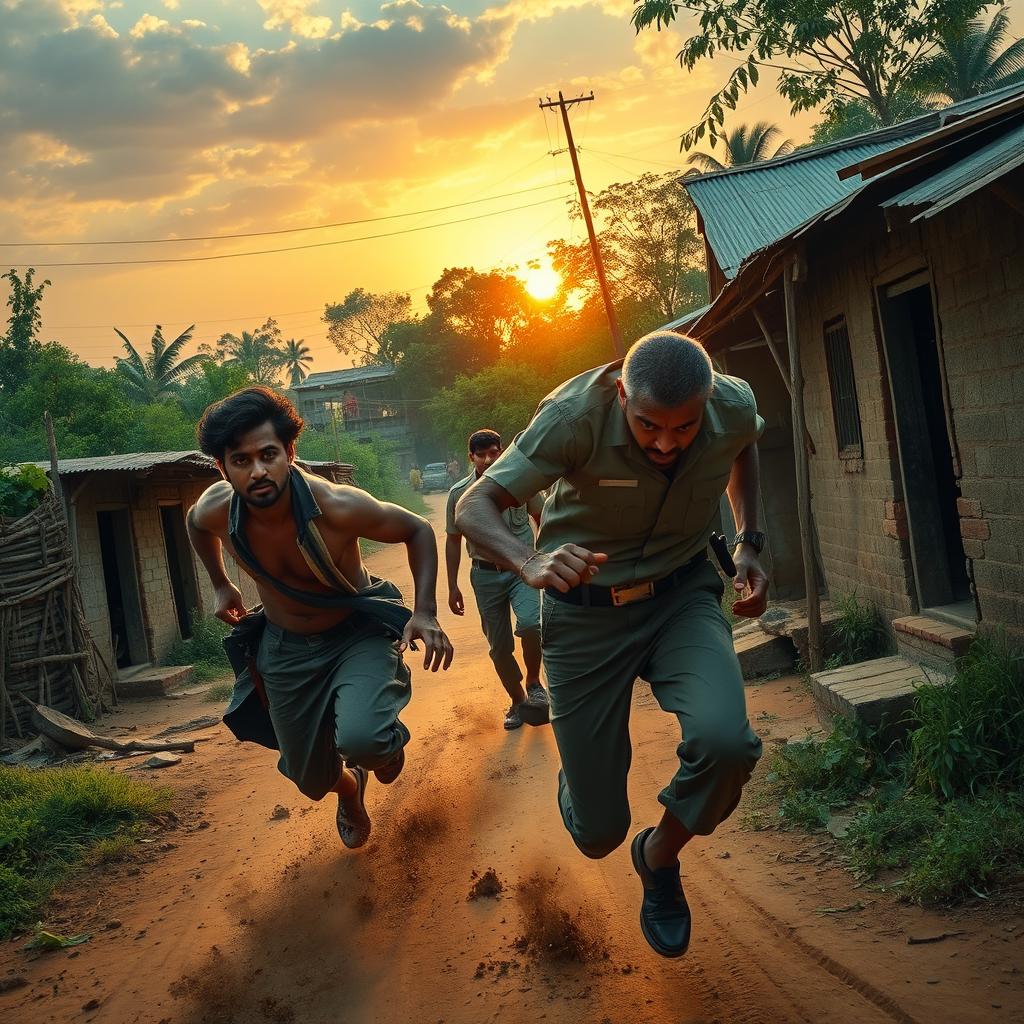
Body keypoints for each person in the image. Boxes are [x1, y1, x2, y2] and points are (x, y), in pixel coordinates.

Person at [455, 331, 767, 958]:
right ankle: (586, 774)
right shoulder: (575, 418)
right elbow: (475, 504)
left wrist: (749, 542)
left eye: (684, 429)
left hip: (683, 597)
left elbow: (742, 446)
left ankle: (658, 857)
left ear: (706, 403)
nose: (665, 443)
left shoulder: (729, 404)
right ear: (623, 393)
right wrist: (527, 559)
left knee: (726, 743)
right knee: (598, 832)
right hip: (585, 614)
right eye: (649, 425)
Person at [187, 387, 453, 850]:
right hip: (284, 648)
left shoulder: (336, 506)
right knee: (310, 780)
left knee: (364, 738)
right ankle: (350, 789)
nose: (258, 471)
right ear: (222, 467)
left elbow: (417, 528)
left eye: (269, 454)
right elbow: (194, 523)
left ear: (290, 452)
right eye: (241, 460)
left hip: (354, 637)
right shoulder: (216, 508)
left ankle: (382, 741)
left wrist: (426, 612)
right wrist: (219, 583)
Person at [446, 429, 549, 730]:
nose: (489, 460)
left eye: (494, 453)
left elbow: (544, 518)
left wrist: (545, 557)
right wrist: (452, 585)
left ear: (502, 452)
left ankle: (534, 682)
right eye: (482, 455)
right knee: (499, 647)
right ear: (472, 458)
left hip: (523, 571)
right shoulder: (459, 495)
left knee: (531, 623)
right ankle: (518, 702)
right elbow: (453, 541)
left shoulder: (522, 484)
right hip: (485, 576)